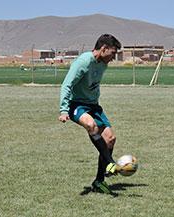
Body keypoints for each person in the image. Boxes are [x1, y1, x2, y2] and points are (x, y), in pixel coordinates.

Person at [58, 34, 122, 194]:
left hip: (93, 105)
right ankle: (110, 162)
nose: (113, 58)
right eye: (113, 53)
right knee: (90, 125)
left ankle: (99, 181)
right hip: (76, 104)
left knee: (110, 139)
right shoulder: (83, 62)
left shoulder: (103, 63)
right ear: (104, 48)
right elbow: (67, 84)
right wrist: (64, 109)